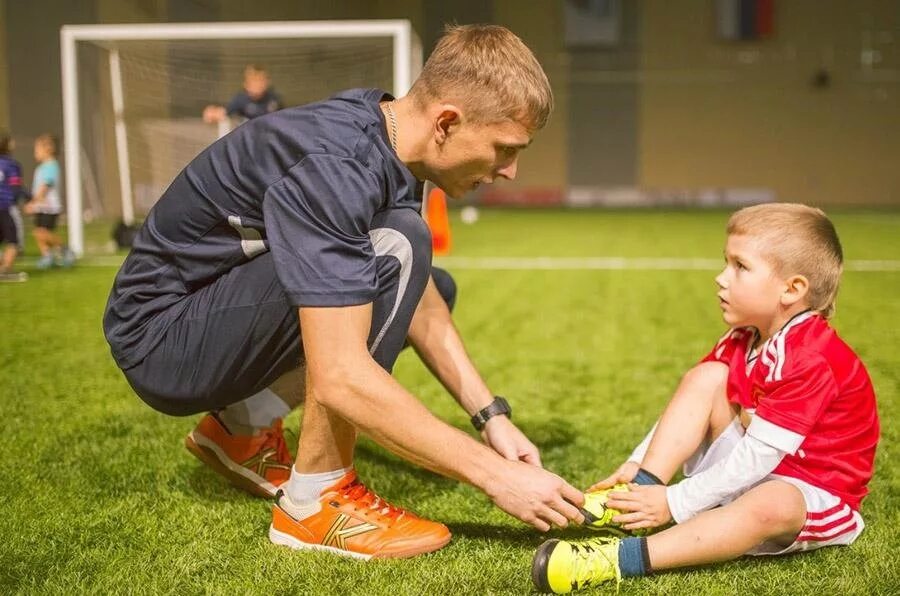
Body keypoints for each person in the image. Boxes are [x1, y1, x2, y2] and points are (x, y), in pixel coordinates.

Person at [103, 24, 585, 561]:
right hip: (164, 340)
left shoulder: (391, 135)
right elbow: (340, 378)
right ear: (447, 122)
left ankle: (239, 431)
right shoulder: (339, 165)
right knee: (397, 248)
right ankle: (315, 502)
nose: (511, 170)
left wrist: (491, 418)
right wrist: (494, 476)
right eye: (504, 148)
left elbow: (420, 303)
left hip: (199, 314)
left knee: (428, 281)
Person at [532, 203, 879, 593]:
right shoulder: (743, 337)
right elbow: (687, 409)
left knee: (771, 503)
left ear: (792, 289)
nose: (721, 278)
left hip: (811, 491)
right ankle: (637, 495)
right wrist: (638, 467)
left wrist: (677, 501)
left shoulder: (810, 357)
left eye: (740, 267)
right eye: (725, 263)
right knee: (707, 377)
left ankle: (617, 559)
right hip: (756, 469)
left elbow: (759, 457)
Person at [24, 134, 74, 269]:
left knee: (43, 232)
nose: (35, 152)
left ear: (48, 149)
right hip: (41, 207)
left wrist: (32, 203)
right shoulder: (42, 167)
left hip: (50, 207)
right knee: (38, 232)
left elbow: (44, 187)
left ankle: (64, 249)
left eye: (37, 149)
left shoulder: (51, 166)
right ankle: (47, 256)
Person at [202, 64, 283, 124]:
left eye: (260, 80)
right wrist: (213, 113)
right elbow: (224, 112)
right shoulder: (240, 99)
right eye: (254, 81)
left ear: (267, 82)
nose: (258, 84)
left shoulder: (274, 99)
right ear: (246, 84)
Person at [0, 131, 27, 282]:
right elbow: (16, 186)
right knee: (13, 241)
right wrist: (28, 198)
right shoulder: (12, 165)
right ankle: (5, 270)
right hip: (4, 207)